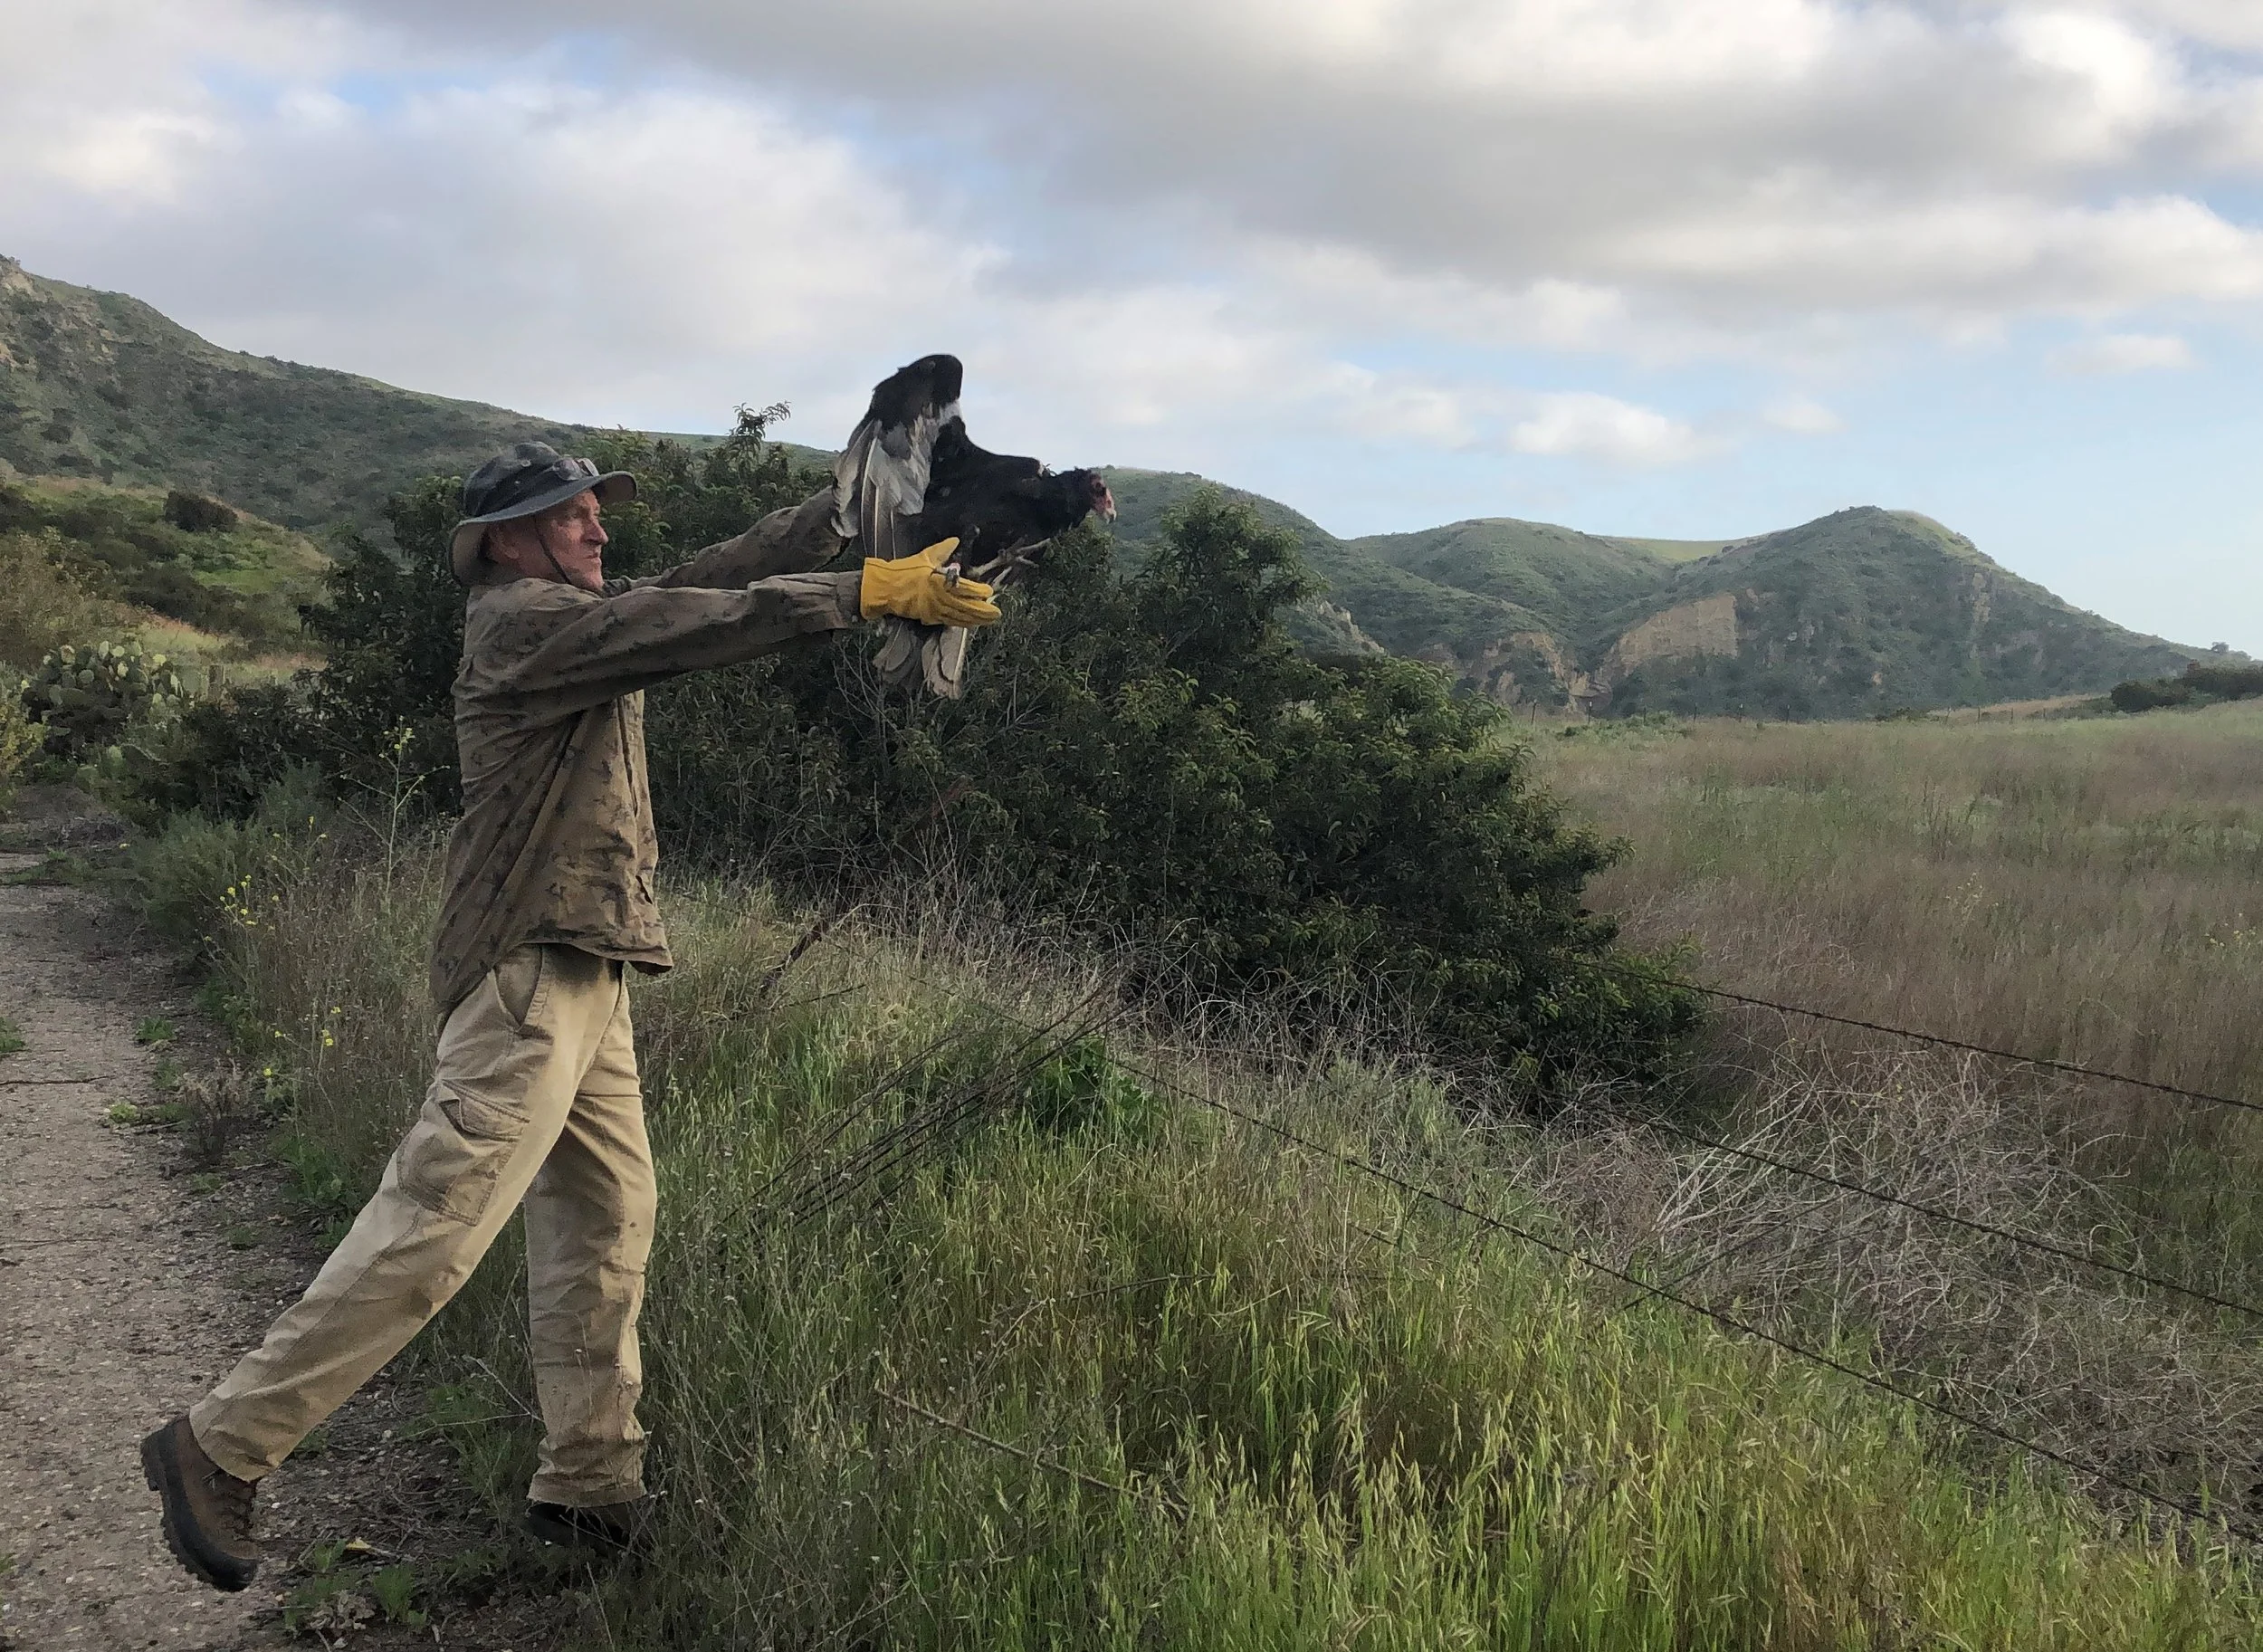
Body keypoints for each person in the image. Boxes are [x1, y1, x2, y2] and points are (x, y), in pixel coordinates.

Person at [139, 442, 1000, 1590]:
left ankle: (591, 1486)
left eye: (598, 512)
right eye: (571, 516)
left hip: (590, 966)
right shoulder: (517, 624)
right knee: (442, 1218)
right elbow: (695, 624)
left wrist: (835, 521)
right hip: (529, 970)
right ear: (505, 542)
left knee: (607, 1226)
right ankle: (219, 1445)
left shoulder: (578, 617)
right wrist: (861, 593)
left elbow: (700, 584)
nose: (598, 530)